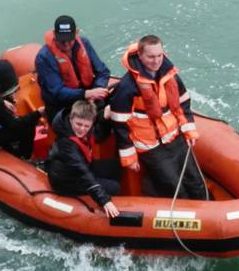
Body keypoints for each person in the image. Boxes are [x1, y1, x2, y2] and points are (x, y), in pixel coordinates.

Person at [109, 35, 207, 199]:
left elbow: (183, 104)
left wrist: (189, 131)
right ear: (140, 56)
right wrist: (130, 158)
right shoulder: (127, 87)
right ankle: (153, 190)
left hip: (175, 138)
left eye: (159, 55)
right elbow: (119, 124)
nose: (156, 61)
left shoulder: (170, 76)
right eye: (151, 56)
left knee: (196, 182)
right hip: (151, 147)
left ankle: (207, 211)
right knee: (175, 188)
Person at [45, 101, 121, 218]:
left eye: (86, 126)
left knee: (115, 166)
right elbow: (82, 171)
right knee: (114, 187)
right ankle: (106, 207)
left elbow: (98, 135)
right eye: (78, 124)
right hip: (67, 180)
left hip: (83, 167)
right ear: (71, 119)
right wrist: (104, 200)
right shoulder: (66, 144)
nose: (82, 129)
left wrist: (105, 119)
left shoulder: (84, 129)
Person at [34, 15, 111, 121]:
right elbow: (58, 92)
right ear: (55, 35)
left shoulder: (84, 43)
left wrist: (96, 90)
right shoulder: (44, 58)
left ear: (76, 33)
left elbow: (103, 71)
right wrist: (85, 94)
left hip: (88, 98)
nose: (66, 44)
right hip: (62, 105)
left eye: (70, 39)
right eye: (62, 41)